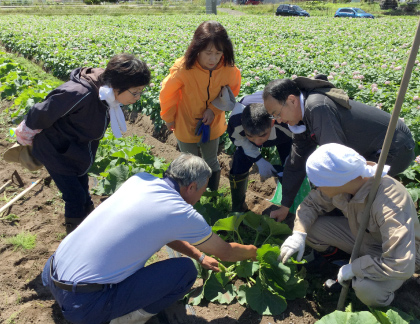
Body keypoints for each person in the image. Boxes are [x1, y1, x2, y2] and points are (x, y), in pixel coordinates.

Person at [42, 153, 257, 324]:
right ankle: (125, 321)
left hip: (51, 275)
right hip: (83, 306)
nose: (201, 196)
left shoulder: (140, 180)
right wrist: (253, 252)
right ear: (191, 187)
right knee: (185, 272)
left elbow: (163, 230)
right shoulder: (181, 211)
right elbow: (226, 252)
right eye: (202, 189)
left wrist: (199, 255)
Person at [14, 54, 151, 234]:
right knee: (75, 198)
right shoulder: (79, 93)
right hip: (56, 152)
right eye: (135, 92)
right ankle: (74, 241)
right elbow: (40, 112)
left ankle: (88, 230)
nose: (138, 97)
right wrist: (25, 133)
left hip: (77, 153)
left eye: (141, 91)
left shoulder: (106, 94)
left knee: (83, 194)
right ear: (117, 86)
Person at [279, 143, 420, 307]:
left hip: (400, 257)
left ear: (334, 182)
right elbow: (311, 205)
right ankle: (343, 264)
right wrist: (299, 234)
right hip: (365, 239)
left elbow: (401, 262)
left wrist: (355, 268)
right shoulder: (346, 183)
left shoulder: (389, 200)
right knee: (309, 228)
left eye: (319, 183)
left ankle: (395, 294)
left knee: (367, 289)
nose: (317, 187)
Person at [263, 76, 415, 222]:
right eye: (273, 116)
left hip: (394, 148)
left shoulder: (318, 107)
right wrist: (285, 206)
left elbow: (335, 164)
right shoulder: (301, 118)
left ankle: (366, 230)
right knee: (343, 191)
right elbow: (296, 162)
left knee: (356, 190)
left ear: (292, 100)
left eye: (277, 113)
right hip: (370, 147)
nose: (279, 120)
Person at [159, 20, 241, 192]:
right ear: (197, 49)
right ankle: (194, 199)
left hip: (212, 122)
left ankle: (212, 197)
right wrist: (168, 118)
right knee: (190, 162)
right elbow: (168, 94)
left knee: (211, 161)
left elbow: (231, 92)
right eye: (208, 52)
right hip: (185, 121)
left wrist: (214, 109)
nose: (213, 59)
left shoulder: (228, 69)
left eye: (218, 53)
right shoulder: (183, 69)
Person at [227, 98, 292, 212]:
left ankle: (290, 206)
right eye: (250, 136)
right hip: (256, 125)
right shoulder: (236, 121)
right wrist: (259, 160)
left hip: (283, 136)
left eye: (262, 136)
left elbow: (299, 143)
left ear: (272, 123)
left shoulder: (286, 121)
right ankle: (238, 207)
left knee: (290, 167)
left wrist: (290, 163)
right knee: (240, 162)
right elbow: (241, 141)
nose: (257, 142)